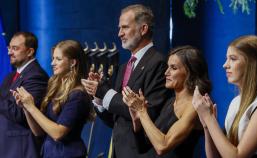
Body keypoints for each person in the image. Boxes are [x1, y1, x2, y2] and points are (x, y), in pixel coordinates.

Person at [81, 4, 170, 158]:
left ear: (143, 29)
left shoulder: (158, 63)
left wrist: (104, 91)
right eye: (119, 28)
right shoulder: (124, 67)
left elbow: (150, 113)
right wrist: (98, 98)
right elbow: (116, 120)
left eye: (125, 27)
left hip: (141, 152)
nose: (119, 33)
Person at [192, 35, 257, 157]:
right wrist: (207, 126)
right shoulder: (236, 101)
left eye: (233, 59)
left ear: (251, 63)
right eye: (227, 59)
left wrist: (209, 118)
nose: (225, 65)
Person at [122, 45, 212, 158]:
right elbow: (144, 147)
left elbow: (162, 146)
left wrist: (142, 111)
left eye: (173, 68)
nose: (166, 73)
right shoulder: (170, 102)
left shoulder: (195, 107)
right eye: (167, 67)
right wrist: (137, 121)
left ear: (190, 73)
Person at [12, 40, 91, 158]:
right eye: (53, 58)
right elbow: (38, 132)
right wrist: (26, 107)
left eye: (58, 59)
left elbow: (58, 133)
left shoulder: (78, 94)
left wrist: (32, 107)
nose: (52, 63)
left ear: (73, 62)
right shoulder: (55, 88)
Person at [0, 32, 49, 158]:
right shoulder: (9, 77)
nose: (10, 52)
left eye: (15, 48)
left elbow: (22, 114)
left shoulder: (36, 76)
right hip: (6, 147)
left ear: (30, 52)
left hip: (21, 149)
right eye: (9, 48)